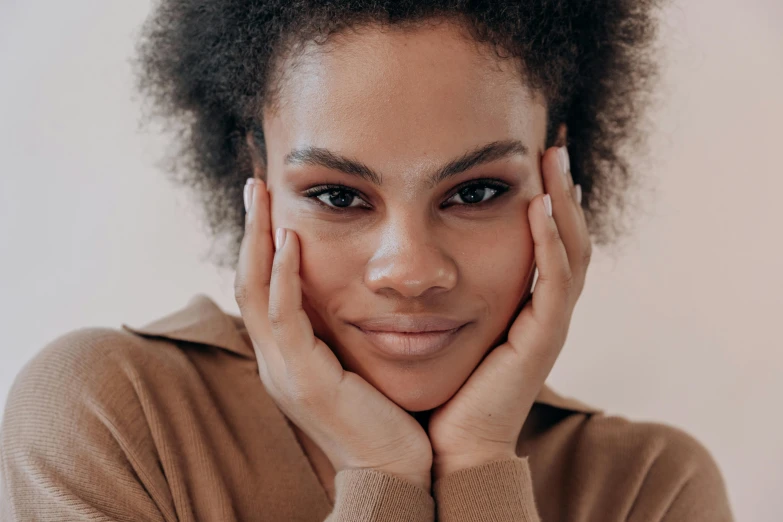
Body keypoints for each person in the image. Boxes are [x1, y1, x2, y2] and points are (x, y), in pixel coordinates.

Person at [0, 1, 734, 520]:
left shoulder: (646, 489)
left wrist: (479, 467)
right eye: (338, 196)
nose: (409, 271)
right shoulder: (117, 418)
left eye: (474, 190)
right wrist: (382, 480)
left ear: (558, 175)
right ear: (253, 176)